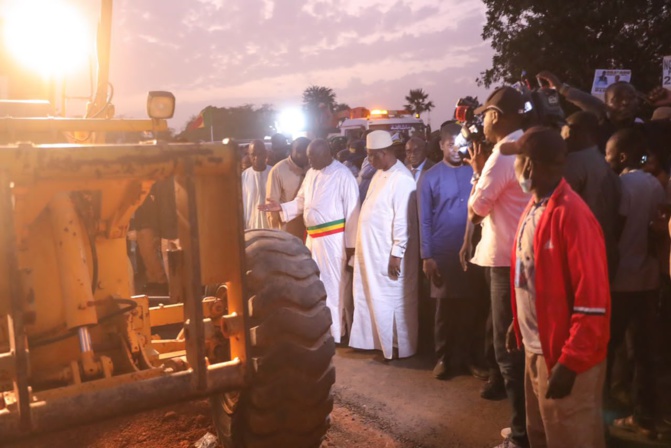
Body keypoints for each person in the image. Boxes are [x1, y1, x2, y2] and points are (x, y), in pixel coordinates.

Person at [500, 126, 610, 448]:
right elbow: (532, 275)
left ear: (530, 166)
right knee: (543, 437)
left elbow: (593, 300)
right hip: (538, 348)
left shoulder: (572, 215)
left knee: (572, 438)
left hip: (563, 358)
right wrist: (517, 322)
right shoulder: (536, 206)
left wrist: (570, 362)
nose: (515, 167)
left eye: (517, 160)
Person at [467, 86, 530, 448]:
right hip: (521, 259)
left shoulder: (502, 155)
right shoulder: (524, 145)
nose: (484, 122)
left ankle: (521, 436)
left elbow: (476, 211)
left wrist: (478, 174)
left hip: (505, 263)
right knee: (517, 346)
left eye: (487, 114)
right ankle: (527, 428)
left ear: (500, 116)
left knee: (508, 352)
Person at [259, 139, 360, 343]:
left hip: (333, 241)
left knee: (333, 287)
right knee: (314, 286)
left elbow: (352, 212)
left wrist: (351, 246)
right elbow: (301, 201)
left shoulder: (343, 175)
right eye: (308, 156)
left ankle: (335, 334)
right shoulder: (312, 172)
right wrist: (282, 208)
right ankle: (320, 329)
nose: (308, 160)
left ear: (326, 154)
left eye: (312, 156)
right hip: (312, 239)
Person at [605, 128, 666, 437]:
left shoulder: (621, 184)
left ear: (623, 156)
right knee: (643, 352)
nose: (606, 159)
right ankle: (644, 416)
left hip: (619, 282)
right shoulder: (655, 183)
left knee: (607, 348)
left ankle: (598, 414)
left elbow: (616, 230)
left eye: (609, 154)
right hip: (647, 280)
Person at [349, 130, 419, 360]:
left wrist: (396, 253)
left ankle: (397, 346)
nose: (369, 160)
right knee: (371, 297)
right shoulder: (379, 173)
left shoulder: (402, 178)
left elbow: (402, 220)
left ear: (385, 153)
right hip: (372, 250)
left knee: (393, 299)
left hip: (388, 252)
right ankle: (376, 342)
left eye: (372, 156)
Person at [418, 121, 478, 379]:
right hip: (442, 251)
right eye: (451, 144)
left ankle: (467, 358)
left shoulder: (474, 172)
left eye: (460, 144)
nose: (456, 149)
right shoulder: (429, 177)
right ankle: (443, 358)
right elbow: (424, 220)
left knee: (470, 307)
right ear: (441, 145)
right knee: (444, 309)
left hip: (473, 250)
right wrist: (427, 255)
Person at [537, 71, 671, 158]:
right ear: (606, 106)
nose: (625, 102)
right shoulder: (593, 134)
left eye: (630, 97)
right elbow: (593, 103)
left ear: (639, 101)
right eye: (617, 99)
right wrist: (560, 88)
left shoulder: (648, 130)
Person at [561, 111, 622, 278]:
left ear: (572, 132)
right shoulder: (604, 163)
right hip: (605, 249)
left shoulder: (573, 163)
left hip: (581, 253)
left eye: (563, 130)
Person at [266, 137, 310, 239]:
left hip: (311, 231)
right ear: (291, 151)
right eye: (299, 151)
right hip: (288, 232)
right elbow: (271, 206)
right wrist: (276, 235)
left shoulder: (313, 169)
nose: (304, 155)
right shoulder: (278, 170)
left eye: (306, 151)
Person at [241, 140, 272, 230]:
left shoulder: (274, 173)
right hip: (251, 226)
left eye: (260, 154)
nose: (257, 158)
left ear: (266, 154)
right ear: (249, 156)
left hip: (272, 227)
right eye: (253, 154)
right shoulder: (243, 176)